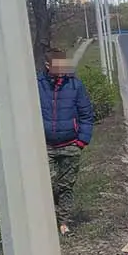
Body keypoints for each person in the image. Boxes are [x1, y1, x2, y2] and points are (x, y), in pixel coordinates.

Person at [38, 47, 94, 235]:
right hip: (45, 146)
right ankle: (50, 217)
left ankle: (64, 223)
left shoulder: (75, 85)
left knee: (66, 185)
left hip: (70, 144)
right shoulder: (37, 85)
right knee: (49, 184)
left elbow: (86, 114)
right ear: (48, 65)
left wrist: (81, 141)